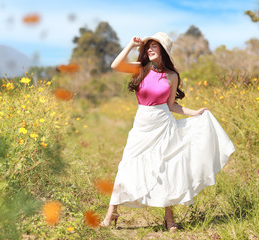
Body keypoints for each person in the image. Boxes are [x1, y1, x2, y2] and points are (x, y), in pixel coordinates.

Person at [99, 32, 235, 231]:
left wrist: (195, 112)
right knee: (127, 163)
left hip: (164, 124)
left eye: (155, 46)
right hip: (142, 124)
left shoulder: (172, 76)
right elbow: (115, 66)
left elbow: (172, 106)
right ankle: (112, 212)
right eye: (148, 46)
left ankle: (169, 219)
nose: (150, 49)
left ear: (163, 50)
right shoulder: (141, 68)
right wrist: (130, 44)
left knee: (165, 167)